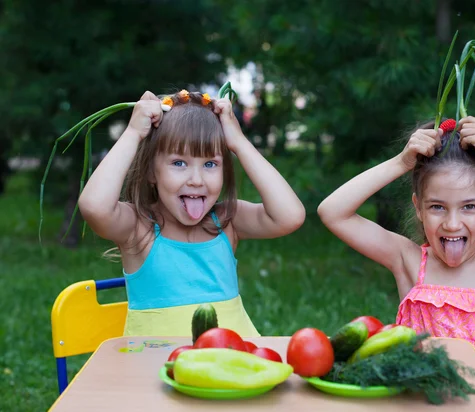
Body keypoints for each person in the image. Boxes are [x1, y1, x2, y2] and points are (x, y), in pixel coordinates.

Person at [317, 116, 475, 389]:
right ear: (418, 207)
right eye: (437, 207)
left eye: (469, 207)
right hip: (418, 406)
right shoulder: (408, 260)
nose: (451, 223)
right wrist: (400, 163)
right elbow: (332, 212)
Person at [78, 89, 306, 338]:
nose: (196, 180)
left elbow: (290, 216)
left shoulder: (227, 221)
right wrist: (133, 133)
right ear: (152, 173)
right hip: (154, 371)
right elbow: (94, 207)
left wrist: (239, 143)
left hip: (231, 366)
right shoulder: (137, 228)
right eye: (179, 163)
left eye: (210, 164)